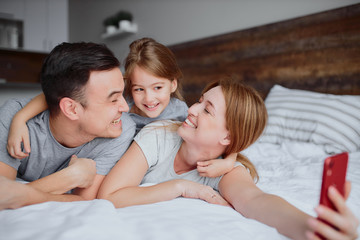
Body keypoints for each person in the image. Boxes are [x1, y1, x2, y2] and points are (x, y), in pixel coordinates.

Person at [97, 78, 359, 240]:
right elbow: (109, 196)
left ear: (227, 138)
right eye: (199, 101)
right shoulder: (159, 135)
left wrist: (311, 229)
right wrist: (182, 187)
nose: (191, 109)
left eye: (207, 109)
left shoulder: (228, 171)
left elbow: (257, 201)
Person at [7, 37, 236, 178]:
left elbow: (225, 135)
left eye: (158, 87)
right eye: (139, 89)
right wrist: (19, 119)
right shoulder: (122, 101)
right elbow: (57, 95)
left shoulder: (181, 111)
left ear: (173, 84)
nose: (149, 99)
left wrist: (230, 160)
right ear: (129, 86)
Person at [0, 42, 136, 209]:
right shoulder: (16, 120)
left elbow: (85, 201)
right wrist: (69, 178)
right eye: (113, 99)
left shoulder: (120, 129)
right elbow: (3, 195)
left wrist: (25, 194)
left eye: (122, 95)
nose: (125, 107)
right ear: (71, 109)